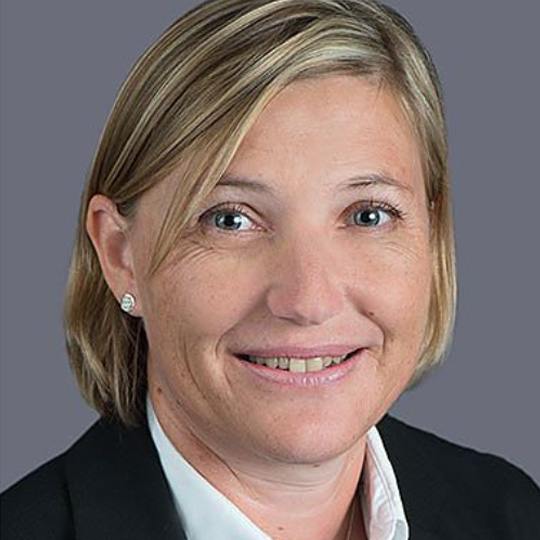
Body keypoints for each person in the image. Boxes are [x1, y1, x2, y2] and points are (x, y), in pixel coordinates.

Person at [1, 0, 539, 538]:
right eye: (230, 220)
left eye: (368, 215)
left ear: (432, 235)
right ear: (121, 255)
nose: (310, 300)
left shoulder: (511, 514)